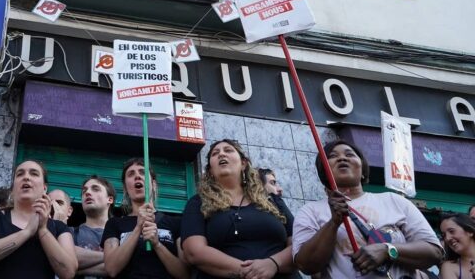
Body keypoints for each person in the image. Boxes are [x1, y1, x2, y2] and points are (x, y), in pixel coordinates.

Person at [293, 139, 443, 278]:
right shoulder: (310, 211)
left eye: (349, 154)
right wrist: (333, 222)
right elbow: (305, 265)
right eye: (333, 156)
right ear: (323, 172)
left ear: (363, 168)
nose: (342, 158)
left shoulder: (394, 200)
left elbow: (434, 251)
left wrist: (388, 250)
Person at [182, 139, 297, 279]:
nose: (221, 155)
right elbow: (194, 251)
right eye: (215, 153)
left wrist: (273, 263)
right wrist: (249, 272)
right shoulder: (198, 203)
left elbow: (300, 244)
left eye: (228, 150)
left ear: (243, 163)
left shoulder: (272, 200)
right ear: (210, 170)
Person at [0, 160, 78, 279]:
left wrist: (42, 229)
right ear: (13, 188)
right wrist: (26, 232)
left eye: (34, 173)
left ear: (44, 189)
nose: (26, 177)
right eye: (20, 174)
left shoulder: (59, 227)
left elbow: (68, 272)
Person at [102, 158, 189, 279]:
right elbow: (111, 269)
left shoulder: (176, 223)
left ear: (153, 184)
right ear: (125, 188)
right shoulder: (114, 223)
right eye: (131, 174)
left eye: (142, 172)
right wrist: (138, 228)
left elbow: (185, 274)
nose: (137, 176)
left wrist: (157, 244)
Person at [75, 175, 115, 278]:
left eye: (95, 189)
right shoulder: (70, 232)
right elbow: (68, 257)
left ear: (110, 199)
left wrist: (79, 267)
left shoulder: (120, 234)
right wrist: (116, 258)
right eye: (84, 191)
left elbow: (128, 266)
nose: (87, 192)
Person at [439, 213, 475, 279]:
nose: (447, 238)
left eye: (451, 231)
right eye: (444, 235)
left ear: (469, 231)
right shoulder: (449, 267)